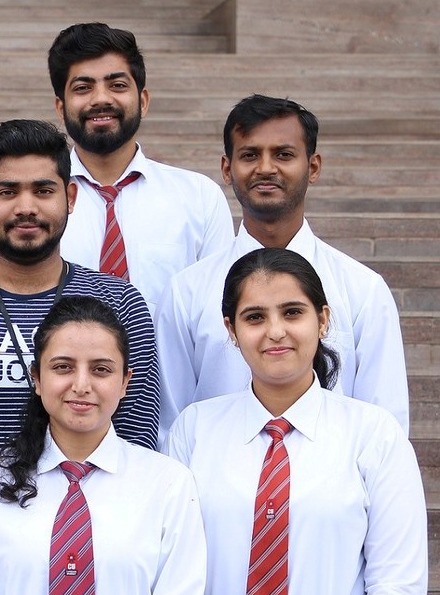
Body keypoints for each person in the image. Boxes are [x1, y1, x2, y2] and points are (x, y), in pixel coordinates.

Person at [165, 248, 427, 595]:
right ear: (230, 329)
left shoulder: (374, 436)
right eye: (254, 317)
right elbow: (170, 583)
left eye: (292, 313)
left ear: (322, 320)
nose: (275, 332)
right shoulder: (193, 431)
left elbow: (399, 588)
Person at [0, 296, 206, 595]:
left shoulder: (168, 484)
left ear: (125, 383)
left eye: (101, 370)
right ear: (37, 378)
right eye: (63, 367)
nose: (81, 384)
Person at [0, 119, 159, 465]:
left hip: (91, 513)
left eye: (43, 191)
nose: (26, 208)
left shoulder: (119, 303)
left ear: (70, 197)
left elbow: (136, 440)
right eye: (7, 192)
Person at [156, 95, 409, 442]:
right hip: (214, 490)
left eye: (284, 154)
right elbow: (170, 424)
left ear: (313, 167)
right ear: (227, 169)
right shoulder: (187, 291)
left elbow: (387, 428)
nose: (265, 168)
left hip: (332, 490)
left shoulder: (363, 290)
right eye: (250, 155)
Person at [47, 22, 233, 314]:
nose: (101, 99)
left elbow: (219, 314)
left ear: (143, 101)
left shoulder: (199, 198)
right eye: (83, 88)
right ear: (61, 107)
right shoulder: (34, 204)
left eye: (117, 85)